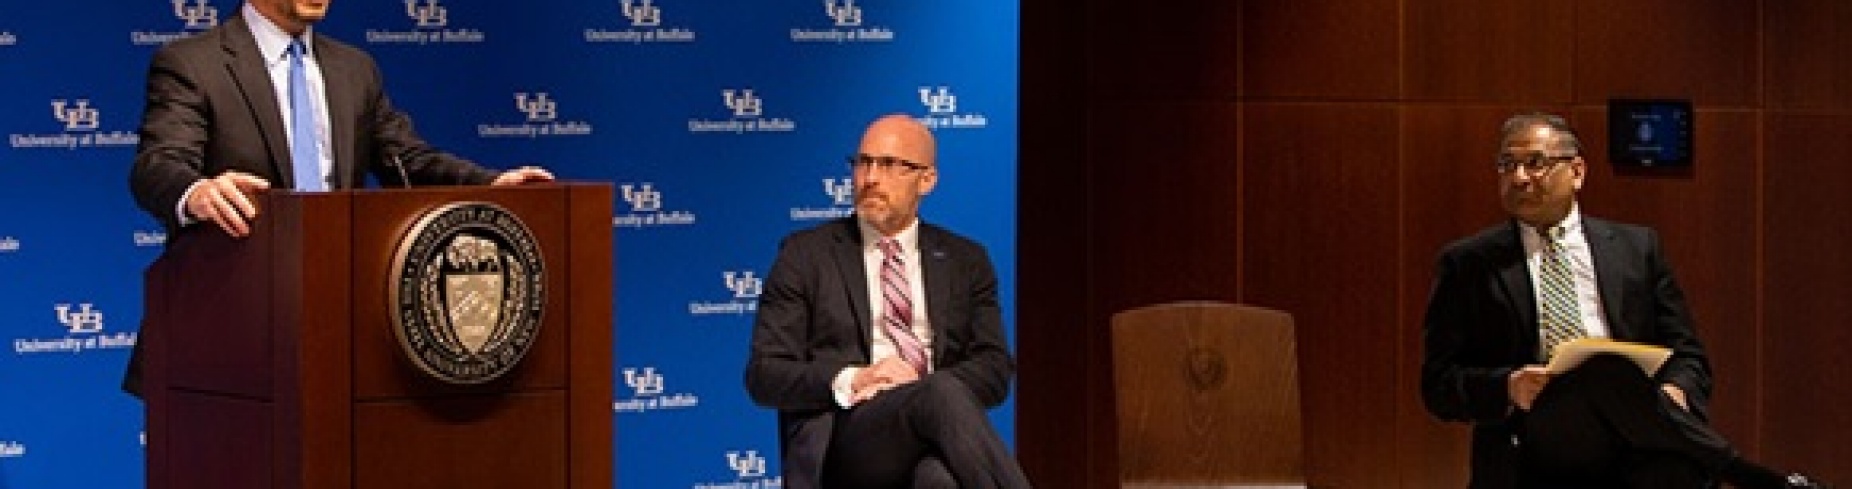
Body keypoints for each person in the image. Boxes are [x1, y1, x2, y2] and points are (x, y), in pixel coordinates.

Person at [123, 0, 553, 395]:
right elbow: (158, 164)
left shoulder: (354, 68)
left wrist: (490, 185)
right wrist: (195, 191)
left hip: (339, 330)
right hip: (226, 334)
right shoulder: (193, 62)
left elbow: (406, 158)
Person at [1420, 113, 1829, 489]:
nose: (1520, 177)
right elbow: (1438, 385)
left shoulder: (1637, 249)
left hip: (1634, 434)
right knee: (1602, 369)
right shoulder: (1468, 264)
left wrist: (1673, 391)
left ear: (1577, 171)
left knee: (1658, 444)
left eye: (1535, 163)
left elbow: (1688, 355)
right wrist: (1509, 386)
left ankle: (1702, 454)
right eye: (1507, 165)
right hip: (1533, 436)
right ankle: (1750, 477)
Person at [745, 115, 1032, 489]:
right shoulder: (806, 255)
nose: (871, 178)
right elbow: (764, 374)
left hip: (933, 434)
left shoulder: (966, 261)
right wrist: (855, 378)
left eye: (889, 165)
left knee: (938, 480)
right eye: (863, 163)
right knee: (938, 392)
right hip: (850, 439)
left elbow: (993, 370)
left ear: (926, 180)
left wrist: (920, 390)